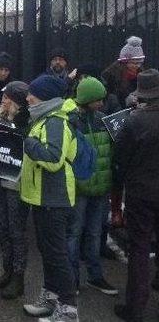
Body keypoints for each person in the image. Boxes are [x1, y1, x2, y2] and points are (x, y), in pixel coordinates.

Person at [21, 75, 79, 322]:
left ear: (44, 96)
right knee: (48, 251)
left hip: (54, 198)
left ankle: (68, 309)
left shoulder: (54, 122)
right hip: (43, 197)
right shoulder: (44, 118)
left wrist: (29, 144)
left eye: (32, 93)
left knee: (57, 254)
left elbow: (54, 159)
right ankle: (51, 297)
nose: (27, 98)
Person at [113, 69, 159, 322]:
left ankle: (135, 309)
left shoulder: (134, 122)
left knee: (139, 250)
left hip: (141, 193)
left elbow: (120, 159)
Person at [65, 77, 118, 296]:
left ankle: (95, 277)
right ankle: (72, 279)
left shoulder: (104, 119)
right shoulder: (71, 122)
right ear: (87, 99)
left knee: (95, 233)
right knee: (74, 234)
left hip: (101, 188)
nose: (102, 103)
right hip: (80, 189)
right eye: (98, 99)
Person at [0, 81, 30, 300]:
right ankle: (7, 270)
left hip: (17, 183)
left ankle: (18, 277)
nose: (3, 99)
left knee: (16, 230)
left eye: (8, 97)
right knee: (2, 226)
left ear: (18, 101)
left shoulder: (27, 122)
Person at [102, 36, 145, 230]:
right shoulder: (110, 76)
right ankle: (116, 210)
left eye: (139, 62)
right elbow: (106, 103)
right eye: (134, 62)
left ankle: (130, 211)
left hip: (138, 125)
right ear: (125, 61)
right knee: (117, 171)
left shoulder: (143, 76)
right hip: (117, 125)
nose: (137, 65)